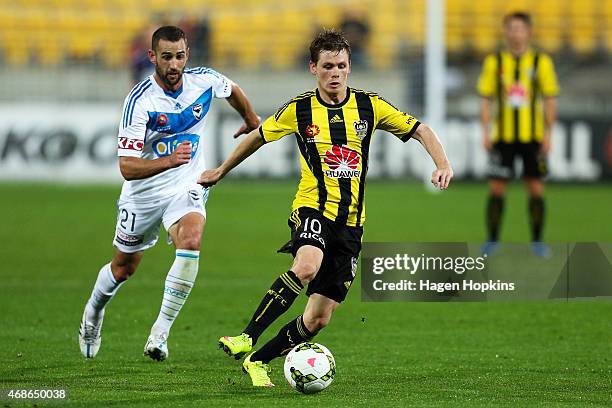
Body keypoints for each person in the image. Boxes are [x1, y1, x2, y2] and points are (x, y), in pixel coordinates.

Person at [199, 29, 453, 387]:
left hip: (351, 225)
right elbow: (258, 136)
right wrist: (221, 171)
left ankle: (257, 360)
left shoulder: (370, 105)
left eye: (342, 66)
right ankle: (247, 336)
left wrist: (442, 163)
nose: (336, 73)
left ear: (349, 68)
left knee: (318, 319)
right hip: (313, 209)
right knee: (306, 265)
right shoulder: (299, 109)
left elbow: (421, 130)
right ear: (313, 68)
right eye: (328, 66)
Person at [78, 26, 260, 361]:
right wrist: (167, 161)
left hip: (187, 185)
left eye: (179, 56)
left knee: (191, 241)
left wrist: (249, 117)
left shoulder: (203, 80)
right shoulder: (139, 101)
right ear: (153, 57)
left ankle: (159, 334)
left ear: (187, 55)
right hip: (144, 194)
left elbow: (230, 88)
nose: (174, 64)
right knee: (124, 268)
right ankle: (92, 314)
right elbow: (127, 167)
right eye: (166, 57)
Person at [478, 12, 559, 257]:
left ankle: (537, 240)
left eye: (520, 29)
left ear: (528, 32)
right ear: (506, 32)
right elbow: (486, 99)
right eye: (511, 28)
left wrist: (548, 134)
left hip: (532, 137)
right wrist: (485, 131)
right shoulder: (494, 62)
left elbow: (549, 99)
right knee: (496, 189)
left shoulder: (541, 62)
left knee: (535, 189)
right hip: (503, 138)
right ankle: (492, 240)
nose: (516, 33)